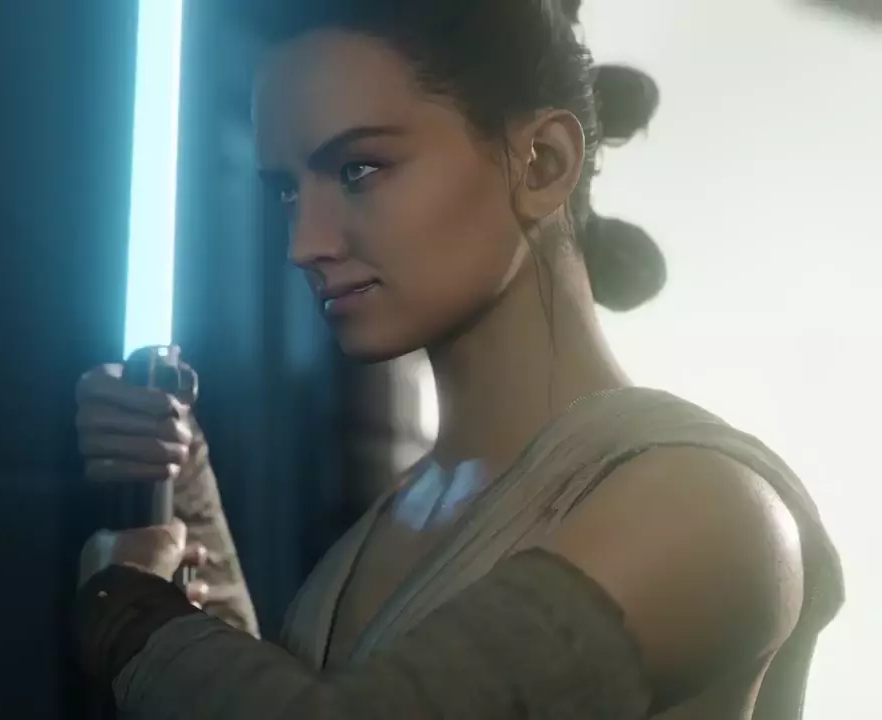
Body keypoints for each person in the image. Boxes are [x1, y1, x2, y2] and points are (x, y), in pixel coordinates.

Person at [71, 1, 843, 717]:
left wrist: (129, 616)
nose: (304, 243)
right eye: (286, 190)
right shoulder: (406, 509)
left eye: (359, 169)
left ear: (542, 163)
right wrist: (183, 485)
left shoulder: (701, 508)